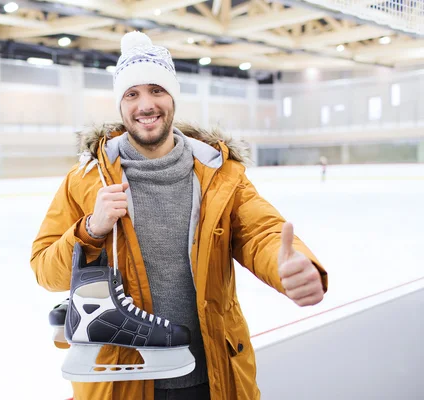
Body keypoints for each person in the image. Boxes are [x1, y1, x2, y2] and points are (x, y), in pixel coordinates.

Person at [30, 31, 328, 400]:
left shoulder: (219, 175)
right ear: (120, 105)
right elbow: (45, 269)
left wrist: (295, 267)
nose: (145, 104)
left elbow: (261, 234)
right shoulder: (85, 181)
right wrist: (91, 229)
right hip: (122, 381)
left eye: (157, 90)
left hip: (210, 375)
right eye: (132, 93)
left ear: (173, 97)